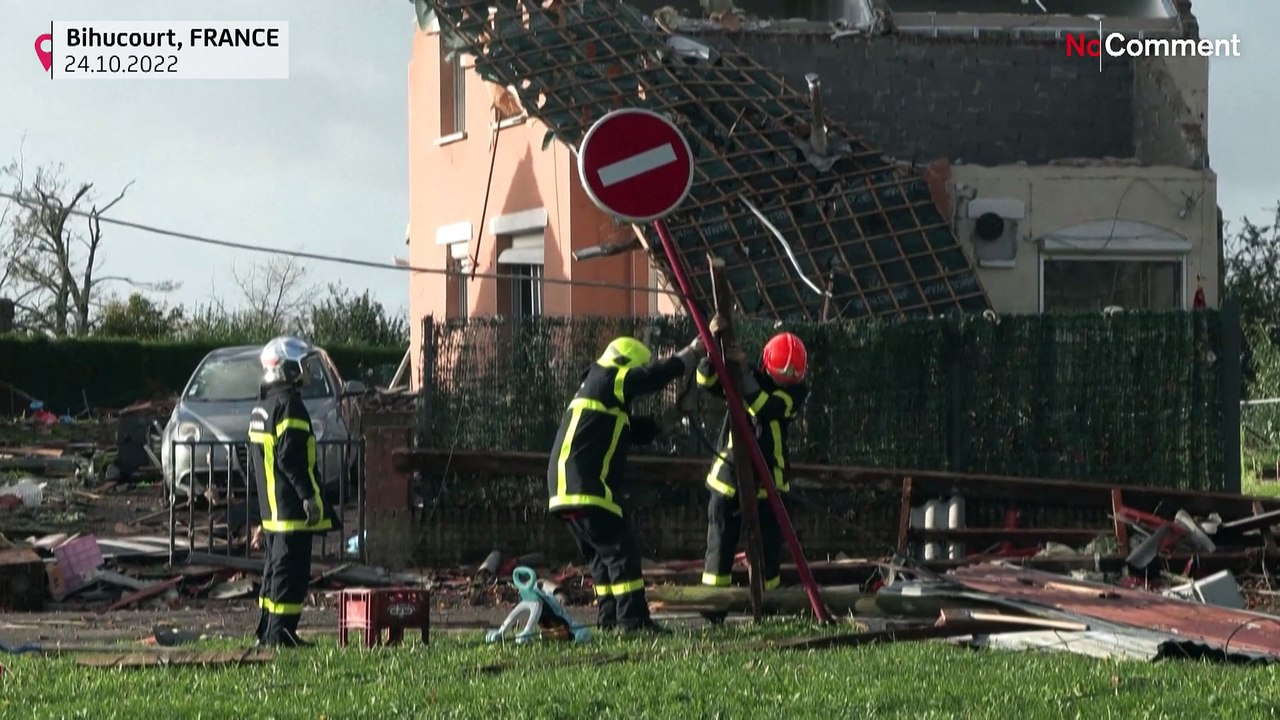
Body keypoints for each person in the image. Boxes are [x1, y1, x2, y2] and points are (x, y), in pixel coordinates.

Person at [547, 333, 705, 634]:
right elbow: (651, 377)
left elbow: (638, 431)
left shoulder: (600, 397)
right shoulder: (608, 377)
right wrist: (691, 354)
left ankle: (609, 620)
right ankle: (634, 621)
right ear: (625, 364)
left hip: (564, 492)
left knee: (602, 558)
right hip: (586, 489)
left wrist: (676, 414)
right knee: (622, 550)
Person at [696, 327, 809, 623]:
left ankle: (767, 606)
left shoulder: (794, 394)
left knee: (768, 551)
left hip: (769, 484)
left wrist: (743, 371)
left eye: (789, 379)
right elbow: (706, 381)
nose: (784, 382)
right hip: (728, 480)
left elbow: (765, 406)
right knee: (720, 547)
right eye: (780, 376)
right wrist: (713, 352)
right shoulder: (744, 378)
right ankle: (713, 611)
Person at [248, 335, 334, 648]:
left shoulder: (264, 406)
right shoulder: (290, 407)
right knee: (291, 573)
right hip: (290, 507)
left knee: (274, 570)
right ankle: (281, 636)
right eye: (303, 365)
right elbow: (291, 458)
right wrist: (308, 497)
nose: (306, 371)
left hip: (272, 509)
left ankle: (268, 632)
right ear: (286, 368)